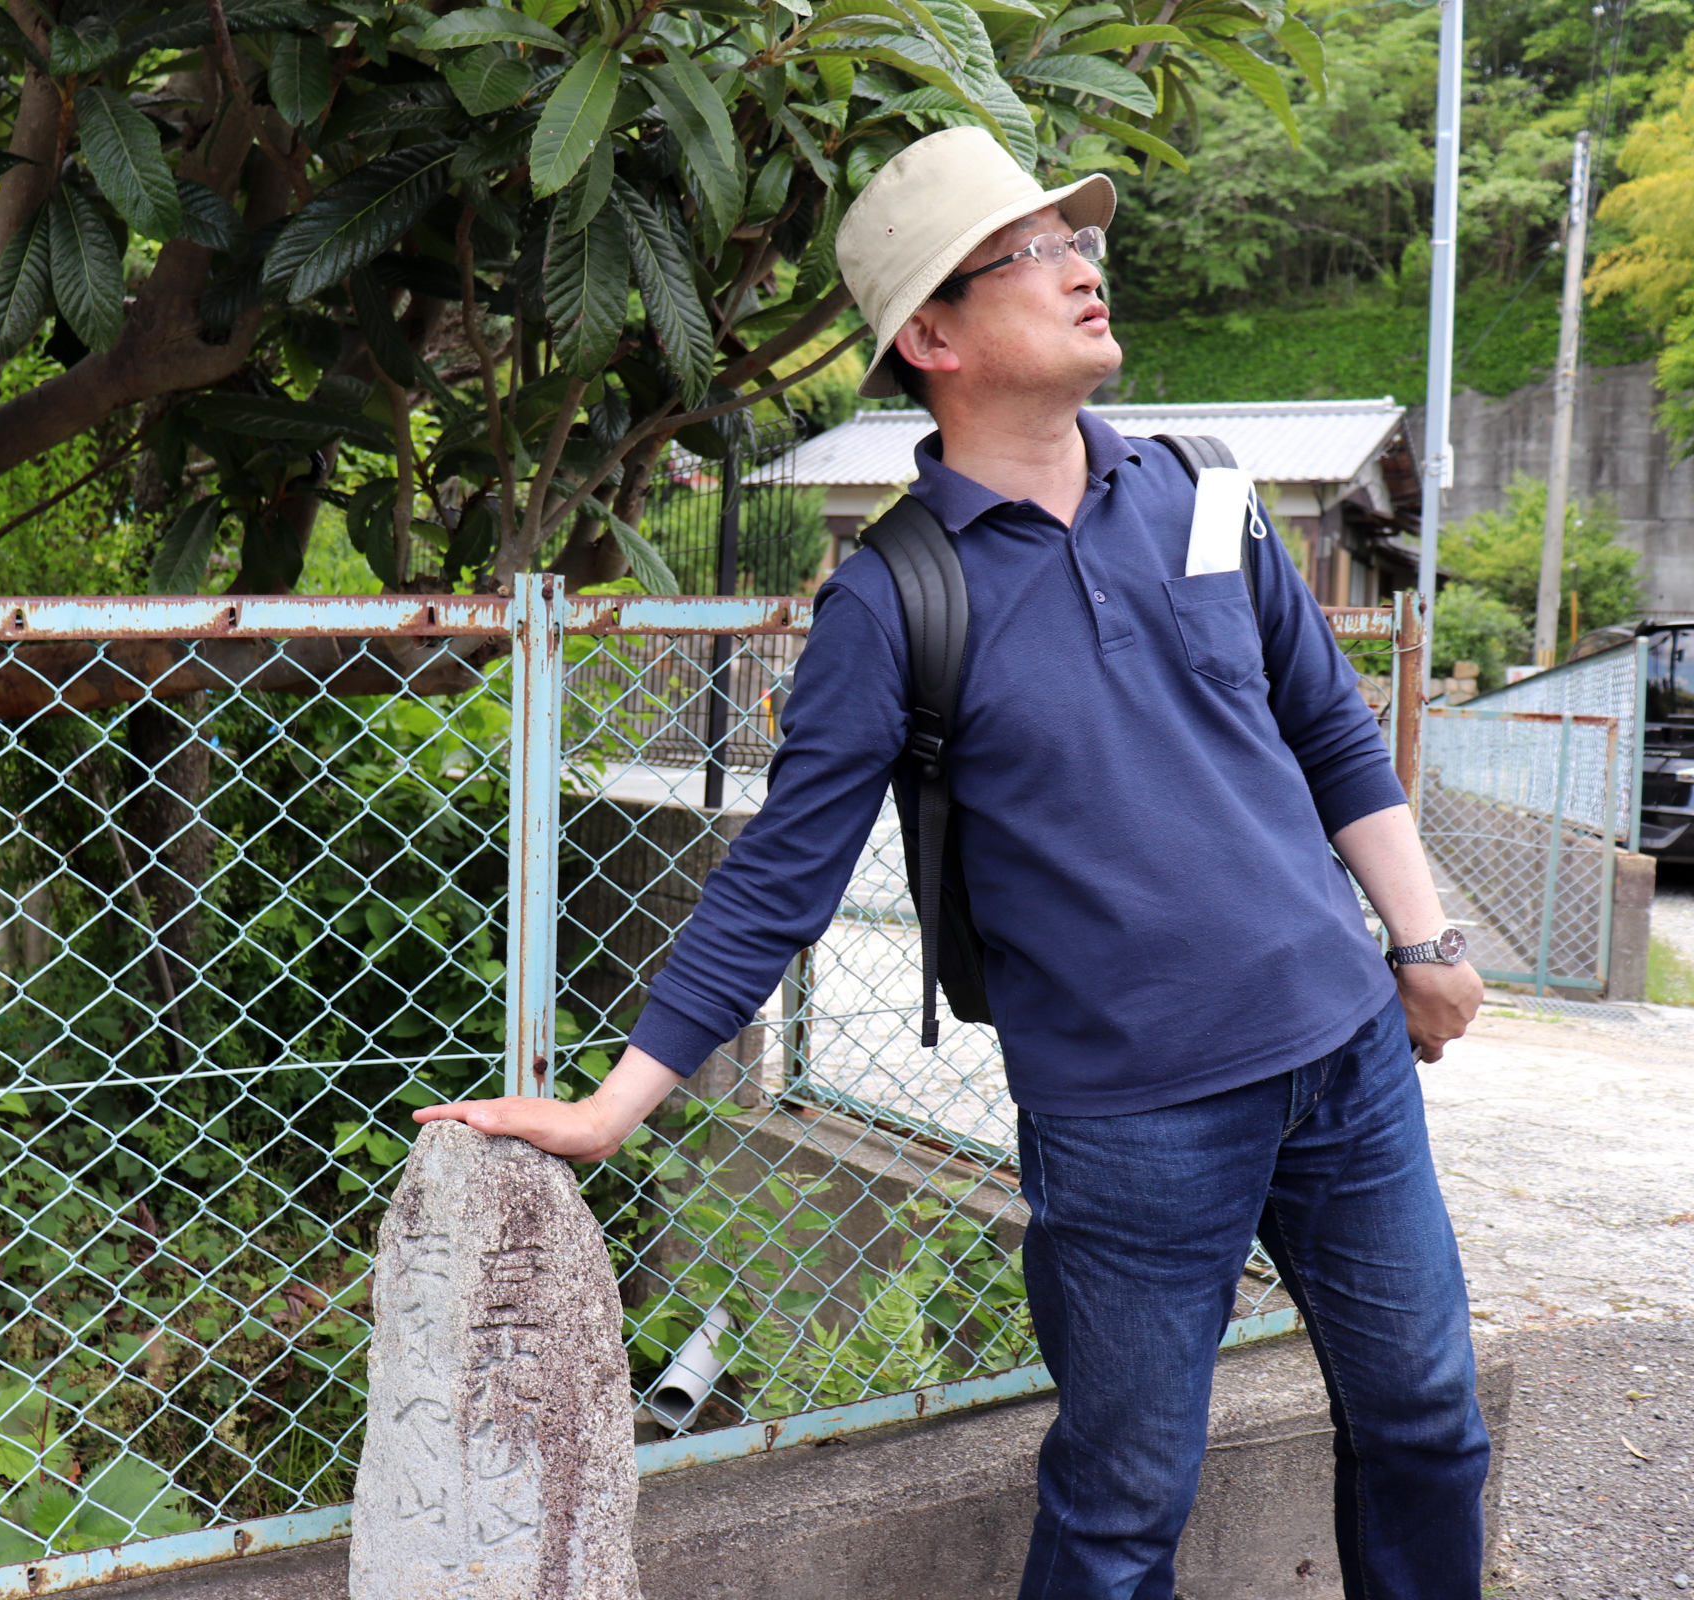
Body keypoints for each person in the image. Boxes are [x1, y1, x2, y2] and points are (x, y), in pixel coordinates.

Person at [418, 126, 1491, 1600]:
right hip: (1131, 1119)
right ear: (933, 337)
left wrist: (1423, 945)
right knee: (1125, 1508)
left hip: (1348, 1056)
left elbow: (1330, 730)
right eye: (1031, 253)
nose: (1083, 268)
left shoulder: (1205, 491)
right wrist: (614, 1107)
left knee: (1428, 1420)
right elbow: (780, 878)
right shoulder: (891, 600)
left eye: (1078, 240)